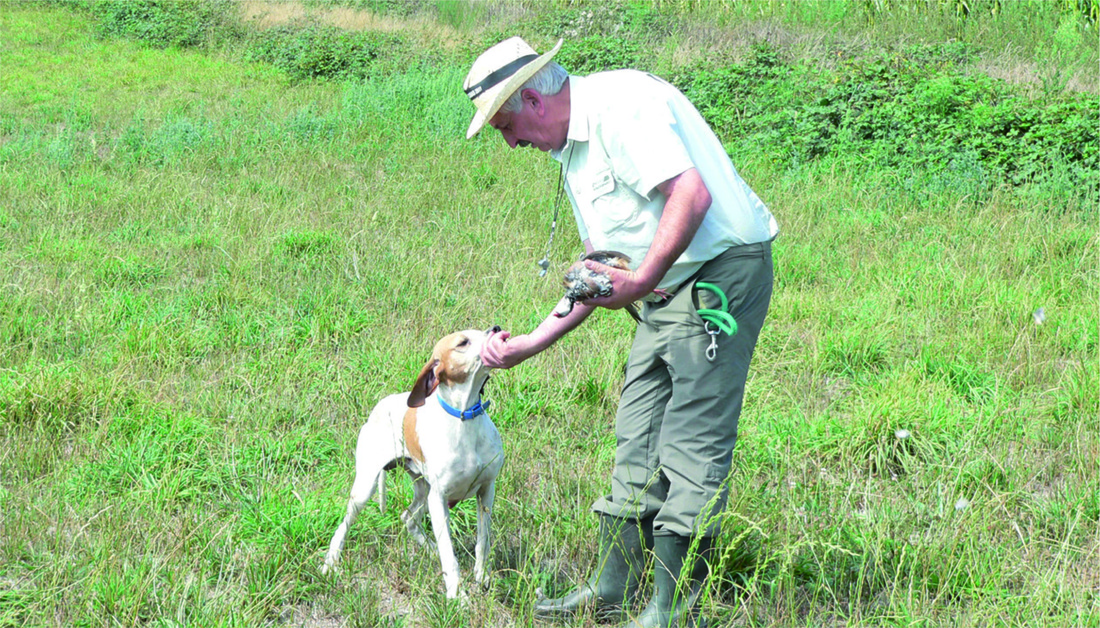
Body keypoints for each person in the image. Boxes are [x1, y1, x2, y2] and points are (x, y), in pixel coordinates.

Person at [463, 36, 778, 628]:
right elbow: (600, 269)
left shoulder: (620, 106)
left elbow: (692, 194)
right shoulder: (570, 153)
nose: (509, 142)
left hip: (720, 276)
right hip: (661, 288)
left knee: (691, 440)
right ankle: (612, 590)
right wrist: (531, 341)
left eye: (506, 125)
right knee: (635, 432)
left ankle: (673, 608)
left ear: (532, 98)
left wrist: (638, 284)